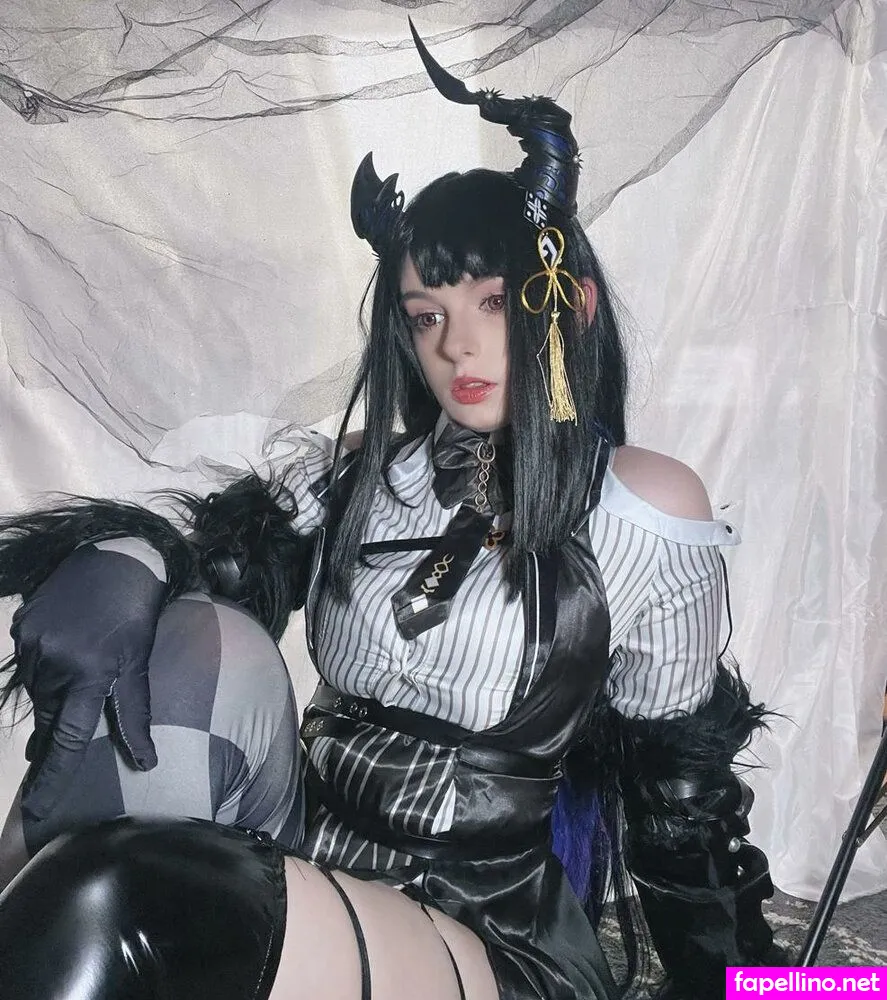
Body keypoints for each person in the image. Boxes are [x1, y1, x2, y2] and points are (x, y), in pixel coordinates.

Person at [0, 21, 783, 1000]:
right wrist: (131, 557)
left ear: (568, 306)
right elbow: (218, 569)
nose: (456, 346)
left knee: (109, 902)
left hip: (477, 925)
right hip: (300, 861)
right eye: (426, 315)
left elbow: (680, 797)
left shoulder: (642, 508)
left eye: (494, 303)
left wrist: (762, 989)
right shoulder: (365, 472)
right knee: (191, 637)